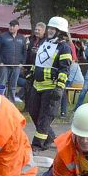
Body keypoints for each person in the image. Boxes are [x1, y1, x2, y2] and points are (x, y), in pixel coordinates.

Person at [28, 17, 73, 151]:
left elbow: (65, 69)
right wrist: (30, 75)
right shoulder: (44, 42)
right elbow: (38, 62)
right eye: (50, 28)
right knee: (33, 112)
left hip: (51, 87)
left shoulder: (64, 48)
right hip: (37, 85)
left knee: (45, 117)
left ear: (60, 31)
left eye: (54, 29)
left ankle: (37, 145)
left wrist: (59, 87)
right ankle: (50, 137)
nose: (50, 30)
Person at [0, 19, 27, 102]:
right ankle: (0, 101)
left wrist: (22, 63)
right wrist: (0, 62)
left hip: (17, 66)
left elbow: (24, 51)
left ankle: (11, 103)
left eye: (13, 26)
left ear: (18, 27)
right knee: (1, 85)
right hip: (4, 65)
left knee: (13, 86)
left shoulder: (22, 38)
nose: (11, 27)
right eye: (10, 25)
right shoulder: (2, 36)